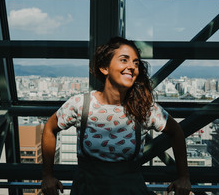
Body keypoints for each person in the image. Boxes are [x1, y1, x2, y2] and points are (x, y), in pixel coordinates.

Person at [41, 37, 191, 195]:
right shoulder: (80, 104)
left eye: (136, 63)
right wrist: (47, 176)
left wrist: (184, 177)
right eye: (124, 60)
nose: (131, 67)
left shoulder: (144, 109)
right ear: (104, 67)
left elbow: (176, 131)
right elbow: (49, 129)